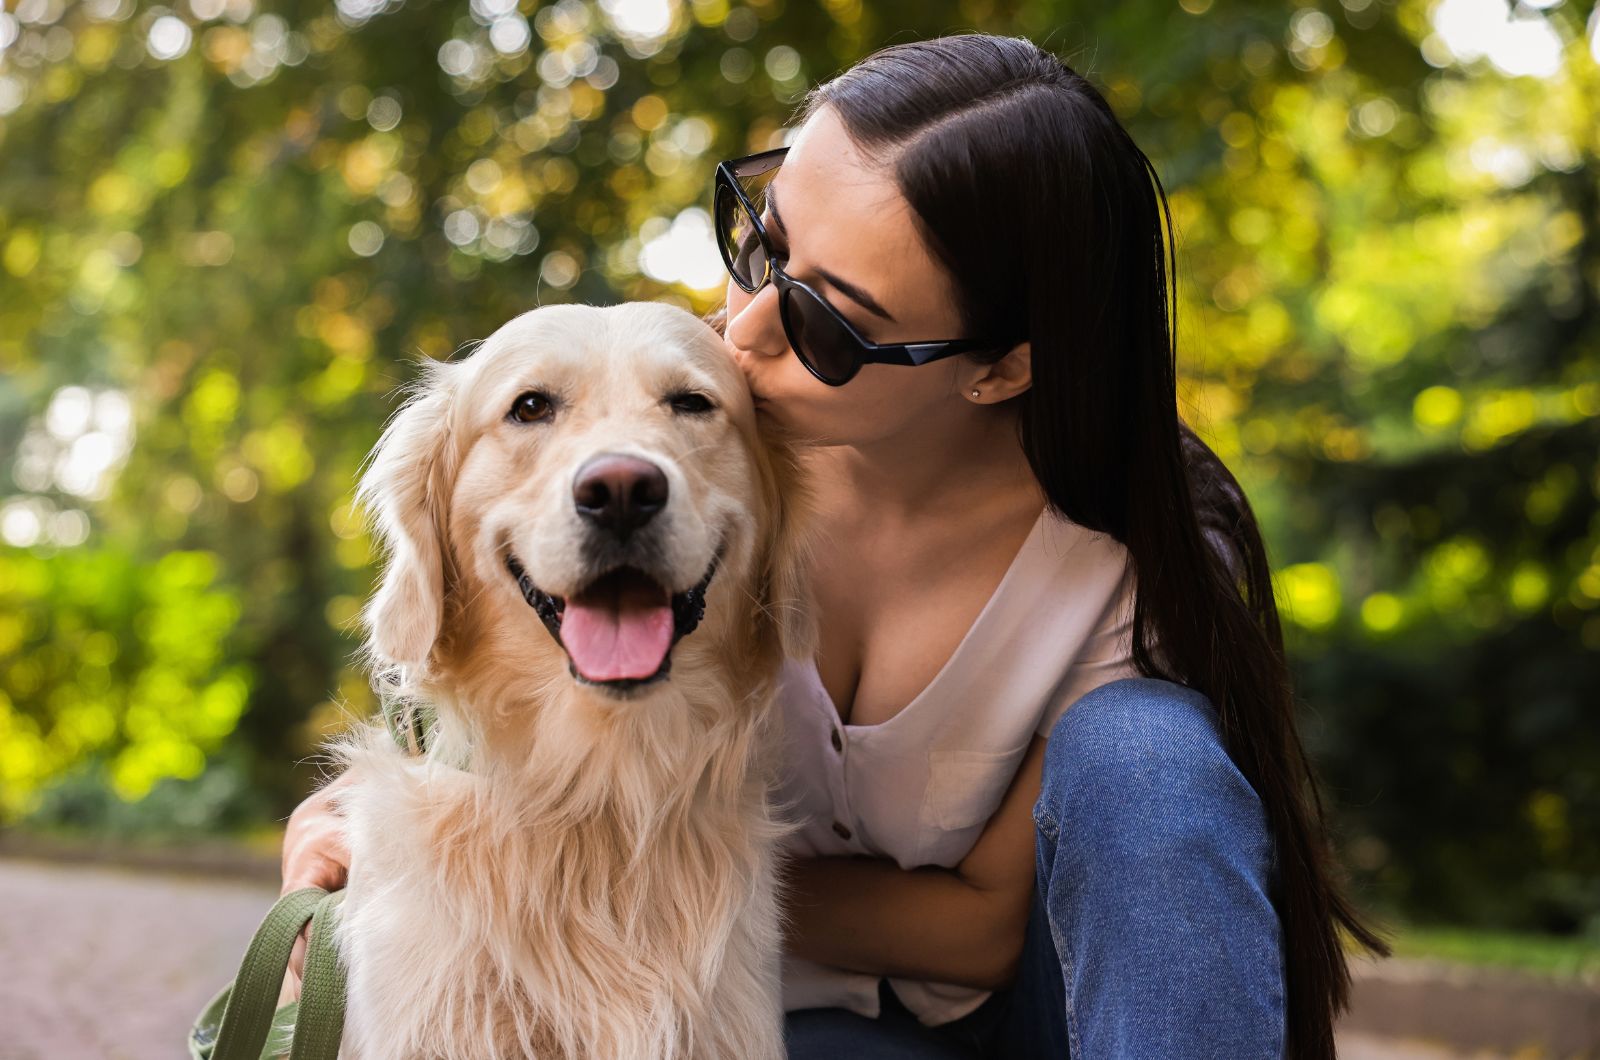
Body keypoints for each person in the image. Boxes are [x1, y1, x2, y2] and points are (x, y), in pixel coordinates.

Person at [280, 33, 1392, 1058]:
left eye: (828, 320)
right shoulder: (697, 448)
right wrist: (397, 835)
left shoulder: (1120, 564)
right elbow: (488, 686)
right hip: (789, 1020)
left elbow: (984, 931)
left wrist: (611, 862)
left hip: (1043, 1016)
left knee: (1148, 751)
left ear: (1000, 366)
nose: (745, 327)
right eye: (760, 249)